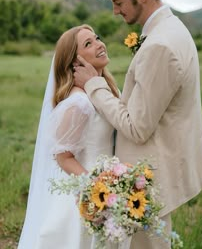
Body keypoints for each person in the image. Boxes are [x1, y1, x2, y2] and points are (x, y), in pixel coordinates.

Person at [73, 0, 202, 249]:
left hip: (150, 179)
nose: (115, 11)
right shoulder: (171, 30)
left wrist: (93, 85)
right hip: (151, 172)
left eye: (118, 2)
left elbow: (137, 128)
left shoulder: (161, 44)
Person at [17, 24, 123, 249]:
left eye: (97, 38)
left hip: (107, 189)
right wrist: (97, 189)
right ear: (75, 63)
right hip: (84, 196)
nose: (99, 44)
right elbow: (63, 157)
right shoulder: (79, 103)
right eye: (88, 44)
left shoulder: (102, 90)